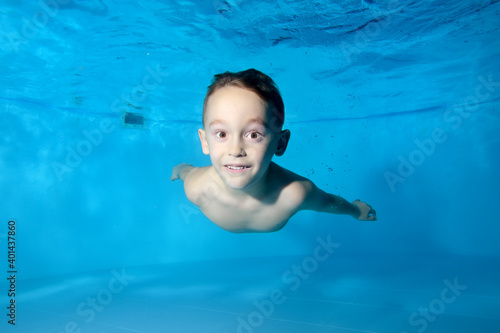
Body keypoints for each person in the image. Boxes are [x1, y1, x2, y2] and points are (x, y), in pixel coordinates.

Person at [171, 68, 377, 233]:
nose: (235, 150)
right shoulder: (196, 188)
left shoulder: (294, 193)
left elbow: (329, 203)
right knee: (186, 172)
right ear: (205, 141)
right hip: (197, 177)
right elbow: (186, 175)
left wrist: (354, 209)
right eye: (222, 134)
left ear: (280, 144)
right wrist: (181, 171)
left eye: (253, 135)